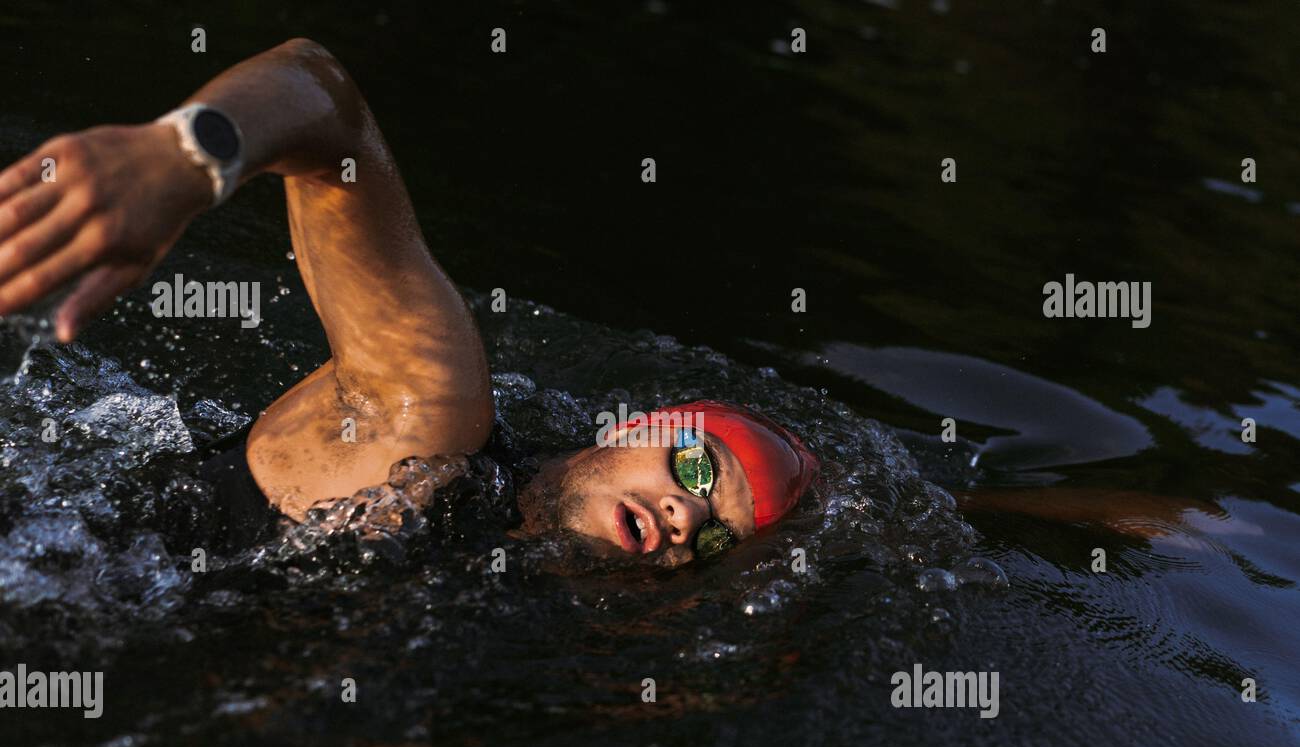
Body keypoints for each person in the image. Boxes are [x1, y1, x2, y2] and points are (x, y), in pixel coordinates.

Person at [0, 39, 819, 565]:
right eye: (693, 467)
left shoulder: (522, 622)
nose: (683, 513)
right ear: (638, 427)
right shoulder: (427, 426)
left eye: (714, 534)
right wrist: (185, 156)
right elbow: (327, 105)